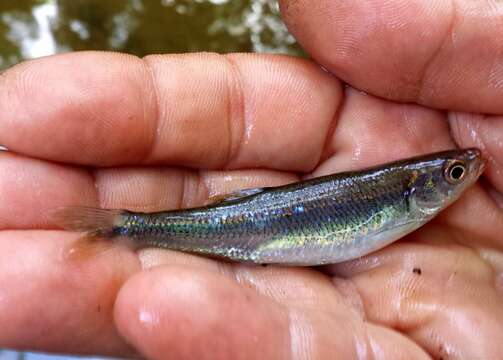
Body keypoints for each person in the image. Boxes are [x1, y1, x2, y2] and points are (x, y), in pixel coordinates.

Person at [1, 0, 502, 358]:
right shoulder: (402, 196)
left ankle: (129, 227)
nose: (465, 173)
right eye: (455, 173)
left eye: (454, 172)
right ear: (418, 189)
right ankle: (127, 226)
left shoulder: (409, 199)